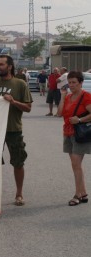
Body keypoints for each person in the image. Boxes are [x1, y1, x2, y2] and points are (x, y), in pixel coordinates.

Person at [0, 54, 33, 206]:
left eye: (1, 65)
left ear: (9, 66)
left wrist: (13, 101)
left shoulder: (20, 84)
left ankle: (19, 194)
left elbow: (28, 108)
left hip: (13, 129)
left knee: (18, 163)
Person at [57, 71, 91, 206]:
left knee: (76, 164)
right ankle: (83, 193)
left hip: (80, 134)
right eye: (69, 82)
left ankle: (77, 195)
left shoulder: (86, 96)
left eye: (74, 83)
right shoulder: (68, 97)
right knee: (76, 165)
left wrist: (80, 119)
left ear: (81, 83)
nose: (71, 85)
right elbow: (59, 113)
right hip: (68, 133)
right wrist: (63, 96)